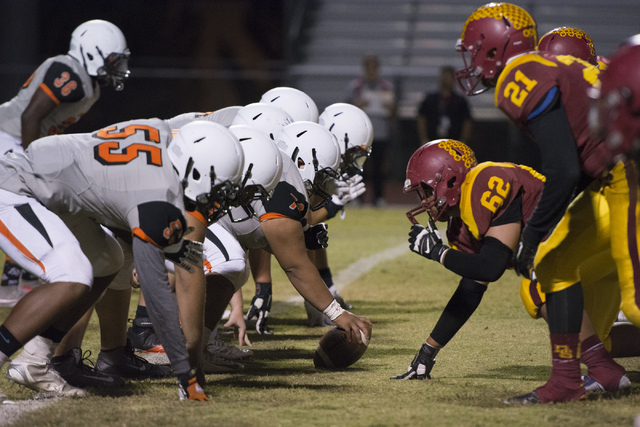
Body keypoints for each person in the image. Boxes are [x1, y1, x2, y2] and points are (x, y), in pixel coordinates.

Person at [455, 3, 640, 403]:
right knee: (553, 264)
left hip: (627, 173)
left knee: (637, 303)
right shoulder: (553, 67)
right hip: (609, 176)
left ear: (493, 49)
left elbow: (563, 169)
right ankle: (568, 380)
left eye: (474, 50)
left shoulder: (519, 75)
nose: (471, 61)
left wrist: (533, 232)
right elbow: (577, 164)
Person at [0, 119, 245, 402]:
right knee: (72, 274)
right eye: (217, 186)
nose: (216, 198)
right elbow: (158, 296)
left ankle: (35, 360)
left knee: (106, 260)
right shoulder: (153, 197)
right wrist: (188, 372)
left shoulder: (161, 134)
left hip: (50, 188)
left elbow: (188, 267)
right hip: (15, 186)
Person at [392, 140, 634, 391]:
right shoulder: (460, 229)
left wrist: (438, 253)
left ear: (450, 180)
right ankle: (605, 366)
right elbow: (471, 289)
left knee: (537, 287)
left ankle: (603, 370)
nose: (425, 200)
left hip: (604, 230)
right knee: (594, 339)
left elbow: (491, 267)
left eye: (426, 191)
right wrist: (427, 353)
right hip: (587, 256)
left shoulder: (485, 181)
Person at [0, 19, 130, 307]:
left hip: (17, 140)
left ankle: (16, 282)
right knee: (28, 206)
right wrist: (33, 164)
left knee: (35, 209)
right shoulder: (69, 70)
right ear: (91, 52)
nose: (117, 67)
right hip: (8, 137)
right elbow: (30, 116)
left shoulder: (89, 84)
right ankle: (17, 281)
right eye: (113, 60)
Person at [345, 55, 396, 206]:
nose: (372, 70)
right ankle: (357, 197)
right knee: (358, 166)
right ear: (364, 68)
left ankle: (378, 197)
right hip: (360, 133)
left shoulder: (387, 86)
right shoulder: (355, 86)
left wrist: (390, 109)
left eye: (374, 67)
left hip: (380, 132)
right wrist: (357, 105)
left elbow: (394, 110)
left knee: (378, 167)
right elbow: (345, 110)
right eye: (369, 67)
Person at [416, 66, 472, 146]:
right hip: (433, 139)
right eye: (443, 76)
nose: (445, 79)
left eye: (448, 77)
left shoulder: (460, 101)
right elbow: (421, 118)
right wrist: (423, 138)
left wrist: (463, 140)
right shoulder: (430, 99)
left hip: (454, 141)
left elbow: (467, 121)